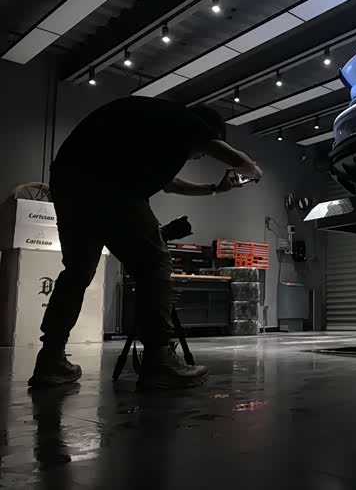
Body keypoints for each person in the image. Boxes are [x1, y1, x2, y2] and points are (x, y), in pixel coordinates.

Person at [28, 96, 262, 389]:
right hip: (110, 184)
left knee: (77, 271)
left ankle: (50, 359)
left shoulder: (157, 133)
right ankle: (159, 360)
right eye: (201, 153)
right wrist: (253, 170)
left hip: (69, 183)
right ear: (207, 133)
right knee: (155, 264)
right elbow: (237, 160)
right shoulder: (186, 121)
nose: (196, 158)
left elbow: (172, 185)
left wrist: (215, 189)